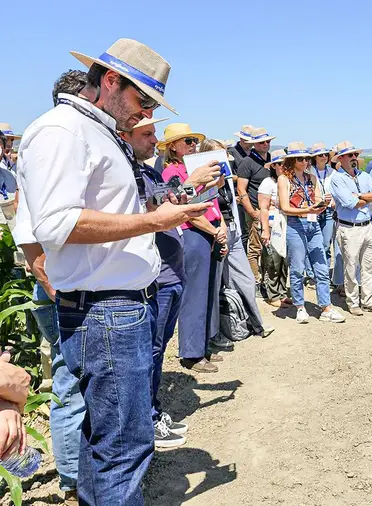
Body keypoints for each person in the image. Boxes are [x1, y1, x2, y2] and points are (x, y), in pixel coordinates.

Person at [18, 38, 210, 503]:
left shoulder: (91, 130)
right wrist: (153, 220)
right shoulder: (63, 130)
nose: (142, 113)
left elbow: (105, 210)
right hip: (106, 311)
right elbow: (57, 224)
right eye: (142, 100)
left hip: (114, 308)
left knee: (106, 442)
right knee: (124, 447)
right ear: (110, 81)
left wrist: (162, 208)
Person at [10, 70, 89, 502]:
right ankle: (74, 480)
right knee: (68, 380)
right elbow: (27, 232)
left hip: (63, 285)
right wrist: (52, 285)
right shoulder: (52, 143)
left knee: (73, 377)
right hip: (58, 288)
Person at [123, 117, 222, 447]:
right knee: (150, 350)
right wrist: (194, 183)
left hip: (169, 272)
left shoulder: (149, 173)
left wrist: (200, 186)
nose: (152, 140)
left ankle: (152, 411)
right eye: (146, 133)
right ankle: (148, 418)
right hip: (159, 276)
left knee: (158, 347)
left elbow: (175, 201)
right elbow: (161, 208)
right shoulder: (134, 176)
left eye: (154, 134)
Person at [159, 124, 228, 373]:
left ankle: (203, 345)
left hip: (207, 231)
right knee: (195, 294)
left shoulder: (191, 169)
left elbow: (208, 199)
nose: (192, 145)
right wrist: (213, 230)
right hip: (192, 233)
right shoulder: (171, 173)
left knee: (207, 291)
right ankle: (191, 352)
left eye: (193, 141)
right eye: (187, 141)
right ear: (172, 147)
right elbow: (180, 203)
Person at [199, 139, 274, 341]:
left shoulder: (225, 177)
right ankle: (215, 333)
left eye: (223, 154)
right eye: (216, 154)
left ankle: (253, 323)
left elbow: (233, 203)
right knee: (216, 286)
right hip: (215, 233)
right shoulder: (203, 180)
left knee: (246, 280)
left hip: (232, 232)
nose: (221, 158)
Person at [278, 142, 346, 323]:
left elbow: (317, 200)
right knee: (298, 267)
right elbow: (284, 207)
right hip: (295, 224)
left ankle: (326, 307)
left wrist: (321, 205)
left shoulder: (312, 178)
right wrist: (309, 209)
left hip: (312, 224)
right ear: (292, 161)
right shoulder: (284, 179)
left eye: (306, 158)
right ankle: (300, 306)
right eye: (300, 159)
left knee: (321, 266)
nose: (305, 162)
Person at [330, 141, 372, 315]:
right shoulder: (337, 179)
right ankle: (353, 302)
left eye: (355, 155)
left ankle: (368, 301)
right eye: (350, 155)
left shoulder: (364, 176)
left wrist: (360, 196)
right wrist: (365, 199)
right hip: (349, 228)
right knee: (351, 267)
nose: (354, 158)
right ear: (341, 158)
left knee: (369, 266)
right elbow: (349, 203)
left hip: (368, 226)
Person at [236, 126, 276, 291]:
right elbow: (241, 189)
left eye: (267, 141)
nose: (265, 144)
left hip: (271, 211)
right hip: (256, 210)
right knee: (255, 248)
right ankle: (256, 281)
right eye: (261, 142)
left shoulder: (271, 159)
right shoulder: (247, 162)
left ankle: (267, 281)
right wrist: (252, 212)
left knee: (270, 249)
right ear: (255, 144)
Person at [308, 142, 345, 297]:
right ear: (314, 157)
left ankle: (322, 273)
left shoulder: (333, 173)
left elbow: (337, 190)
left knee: (326, 243)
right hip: (313, 210)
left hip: (329, 210)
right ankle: (312, 274)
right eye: (320, 155)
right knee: (314, 242)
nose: (323, 157)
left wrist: (335, 200)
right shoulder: (308, 171)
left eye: (325, 155)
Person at [258, 149, 290, 307]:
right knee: (272, 260)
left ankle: (282, 291)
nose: (282, 166)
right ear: (274, 166)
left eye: (285, 163)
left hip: (286, 224)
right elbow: (263, 208)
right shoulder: (268, 183)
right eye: (279, 164)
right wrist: (265, 230)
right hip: (271, 225)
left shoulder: (288, 181)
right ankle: (273, 294)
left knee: (284, 261)